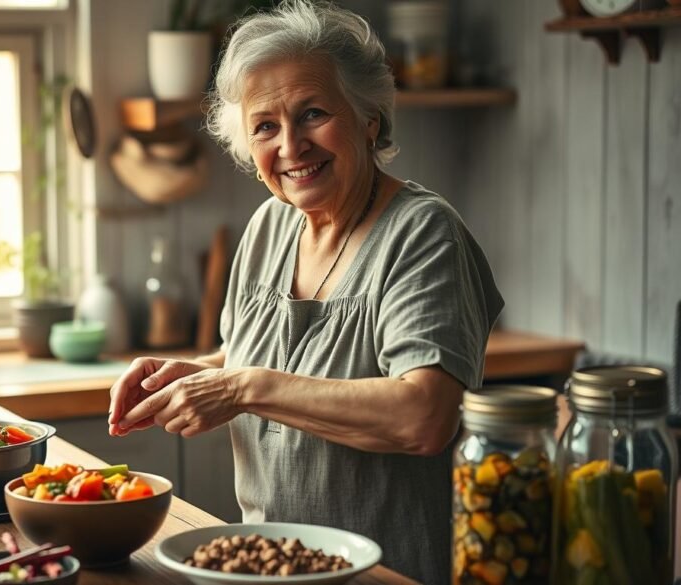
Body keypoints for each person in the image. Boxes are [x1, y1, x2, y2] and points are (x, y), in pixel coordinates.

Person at [107, 1, 503, 582]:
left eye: (313, 113)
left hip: (388, 574)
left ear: (369, 118)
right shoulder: (270, 226)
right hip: (272, 566)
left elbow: (424, 416)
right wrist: (191, 374)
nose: (291, 146)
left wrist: (240, 386)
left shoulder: (422, 232)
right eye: (265, 126)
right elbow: (245, 359)